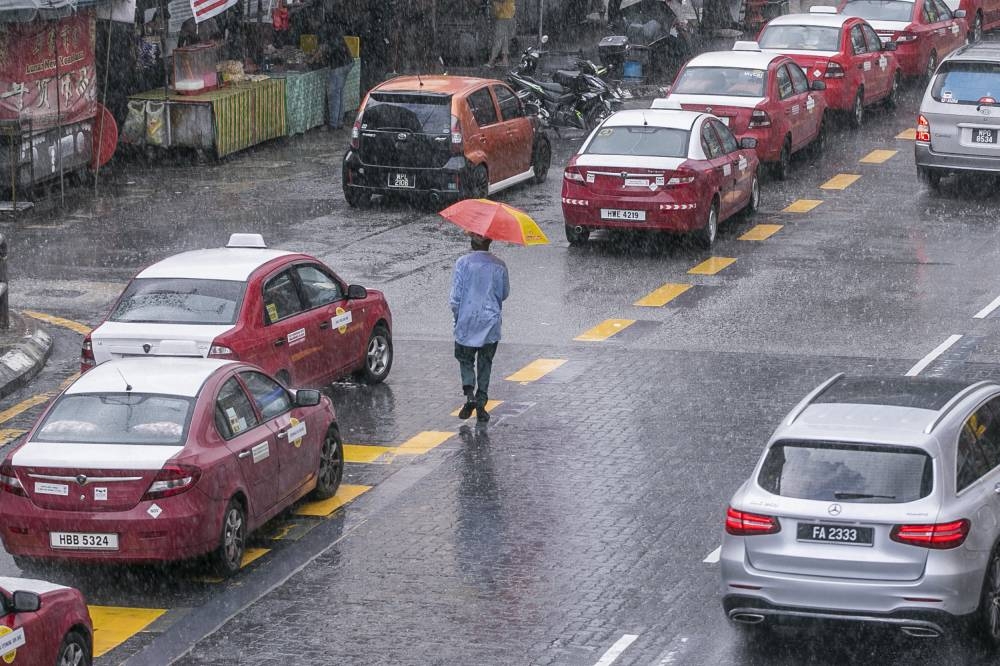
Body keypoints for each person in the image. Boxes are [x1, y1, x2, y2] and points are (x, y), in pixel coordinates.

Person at [449, 233, 510, 423]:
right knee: (485, 362)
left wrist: (457, 317)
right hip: (490, 323)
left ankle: (470, 395)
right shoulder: (499, 265)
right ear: (490, 242)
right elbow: (504, 293)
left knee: (465, 358)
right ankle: (481, 402)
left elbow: (455, 298)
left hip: (467, 320)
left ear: (471, 243)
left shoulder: (462, 263)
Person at [312, 4, 355, 130]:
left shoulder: (323, 30)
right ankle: (339, 122)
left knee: (334, 95)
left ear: (315, 20)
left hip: (339, 65)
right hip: (348, 62)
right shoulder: (331, 27)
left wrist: (311, 60)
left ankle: (333, 124)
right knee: (340, 93)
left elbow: (322, 49)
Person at [486, 0, 516, 68]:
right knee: (504, 39)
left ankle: (492, 61)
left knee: (498, 39)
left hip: (503, 16)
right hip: (509, 15)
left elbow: (500, 2)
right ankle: (505, 60)